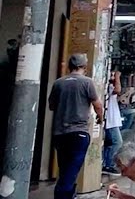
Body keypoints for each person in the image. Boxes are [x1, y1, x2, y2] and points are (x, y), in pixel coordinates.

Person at [48, 53, 104, 199]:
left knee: (65, 169)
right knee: (70, 172)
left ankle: (70, 195)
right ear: (84, 67)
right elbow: (97, 105)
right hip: (78, 133)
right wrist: (100, 118)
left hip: (60, 133)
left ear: (69, 66)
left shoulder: (58, 83)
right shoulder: (87, 82)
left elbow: (52, 106)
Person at [103, 70, 124, 175]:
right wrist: (117, 77)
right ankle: (109, 164)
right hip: (111, 121)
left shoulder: (109, 87)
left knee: (109, 143)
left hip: (112, 120)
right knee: (117, 142)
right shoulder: (109, 87)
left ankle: (106, 163)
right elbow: (118, 89)